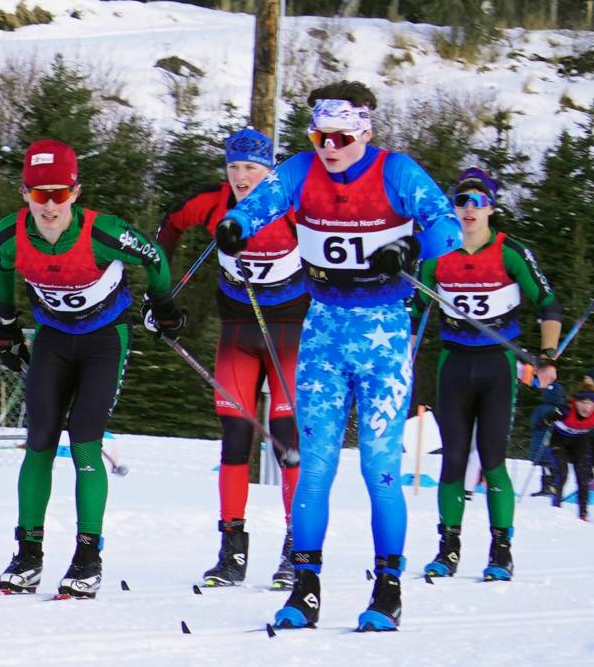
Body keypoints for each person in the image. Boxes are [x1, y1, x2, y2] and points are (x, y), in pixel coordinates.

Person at [216, 81, 462, 631]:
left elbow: (446, 224)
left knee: (380, 467)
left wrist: (413, 247)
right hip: (324, 330)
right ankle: (304, 590)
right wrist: (236, 227)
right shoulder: (302, 171)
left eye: (341, 137)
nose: (329, 147)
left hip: (384, 336)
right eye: (319, 135)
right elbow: (257, 206)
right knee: (315, 466)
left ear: (365, 131)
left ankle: (387, 589)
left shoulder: (395, 171)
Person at [0, 138, 183, 598]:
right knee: (39, 440)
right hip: (54, 339)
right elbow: (0, 272)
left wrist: (164, 304)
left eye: (59, 193)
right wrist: (7, 328)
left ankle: (87, 555)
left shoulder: (103, 232)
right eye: (40, 194)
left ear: (75, 192)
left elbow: (154, 257)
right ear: (25, 194)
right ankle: (28, 555)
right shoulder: (10, 234)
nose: (50, 205)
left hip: (103, 340)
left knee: (84, 440)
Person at [156, 127, 305, 590]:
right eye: (234, 166)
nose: (241, 177)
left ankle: (297, 549)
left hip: (289, 333)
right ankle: (231, 552)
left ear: (270, 170)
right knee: (235, 437)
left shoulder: (291, 204)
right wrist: (159, 296)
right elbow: (169, 228)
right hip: (238, 332)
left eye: (252, 168)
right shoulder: (212, 202)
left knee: (287, 439)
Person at [412, 167, 561, 581]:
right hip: (454, 363)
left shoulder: (510, 252)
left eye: (478, 202)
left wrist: (547, 357)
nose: (469, 209)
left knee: (493, 458)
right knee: (454, 459)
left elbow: (548, 305)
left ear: (491, 208)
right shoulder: (437, 253)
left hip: (498, 364)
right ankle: (449, 548)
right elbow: (414, 310)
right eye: (462, 201)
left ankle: (501, 549)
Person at [542, 388, 594, 521]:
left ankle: (583, 513)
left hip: (580, 443)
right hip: (559, 442)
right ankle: (556, 506)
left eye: (590, 404)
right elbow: (543, 421)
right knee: (562, 473)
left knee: (583, 478)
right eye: (583, 403)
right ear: (576, 403)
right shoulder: (565, 410)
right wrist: (549, 418)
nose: (586, 408)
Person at [529, 381, 566, 497]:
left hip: (541, 443)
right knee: (551, 466)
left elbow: (534, 423)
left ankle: (547, 487)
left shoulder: (541, 408)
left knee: (546, 467)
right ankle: (550, 487)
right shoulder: (560, 409)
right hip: (552, 444)